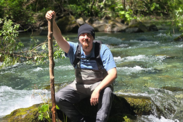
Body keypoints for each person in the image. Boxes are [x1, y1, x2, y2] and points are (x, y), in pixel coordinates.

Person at [45, 10, 117, 122]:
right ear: (79, 38)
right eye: (82, 35)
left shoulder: (102, 49)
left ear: (92, 38)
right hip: (79, 86)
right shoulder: (74, 49)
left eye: (88, 35)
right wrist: (52, 21)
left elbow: (113, 74)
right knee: (59, 97)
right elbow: (59, 38)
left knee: (107, 91)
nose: (85, 37)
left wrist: (97, 89)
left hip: (99, 85)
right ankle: (81, 120)